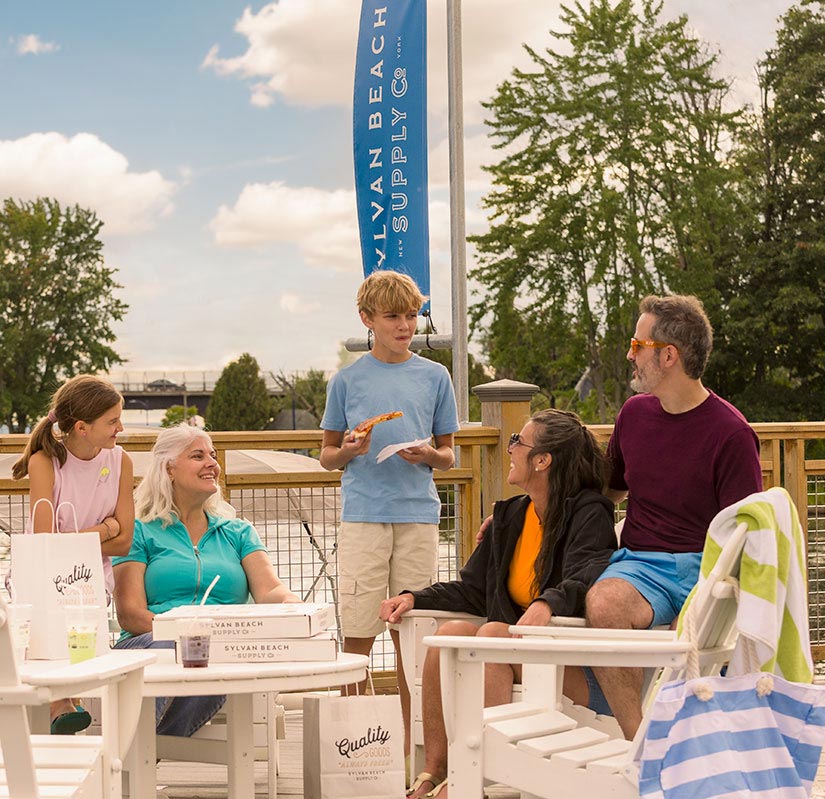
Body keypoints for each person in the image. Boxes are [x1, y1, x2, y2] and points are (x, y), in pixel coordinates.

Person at [381, 410, 616, 799]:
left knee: (491, 634)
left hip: (573, 665)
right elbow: (473, 590)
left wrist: (545, 605)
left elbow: (587, 578)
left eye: (516, 443)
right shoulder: (510, 517)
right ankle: (435, 768)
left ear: (543, 460)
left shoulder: (589, 512)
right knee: (448, 636)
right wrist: (414, 597)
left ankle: (476, 779)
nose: (509, 450)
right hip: (522, 653)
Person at [587, 294, 762, 739]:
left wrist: (716, 602)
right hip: (639, 563)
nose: (630, 354)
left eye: (637, 344)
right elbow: (610, 491)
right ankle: (637, 739)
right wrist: (529, 521)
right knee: (592, 601)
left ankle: (658, 743)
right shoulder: (634, 414)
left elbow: (747, 537)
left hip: (702, 568)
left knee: (617, 608)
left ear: (668, 355)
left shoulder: (732, 434)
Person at [320, 270, 459, 734]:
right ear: (367, 319)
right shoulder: (346, 381)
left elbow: (449, 454)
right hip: (364, 517)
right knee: (358, 635)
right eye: (393, 316)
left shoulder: (436, 376)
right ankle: (354, 745)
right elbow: (326, 456)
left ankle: (411, 749)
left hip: (418, 516)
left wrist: (428, 455)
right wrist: (350, 451)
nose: (405, 325)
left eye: (412, 315)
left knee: (413, 638)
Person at [111, 425, 299, 736]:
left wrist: (293, 605)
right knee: (187, 650)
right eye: (198, 456)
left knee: (218, 655)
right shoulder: (140, 530)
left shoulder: (237, 531)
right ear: (168, 469)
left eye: (212, 455)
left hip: (220, 647)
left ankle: (142, 753)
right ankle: (143, 753)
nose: (212, 463)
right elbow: (130, 613)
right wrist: (185, 634)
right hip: (149, 644)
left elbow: (270, 590)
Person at [13, 374, 136, 734]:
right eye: (112, 421)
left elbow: (125, 541)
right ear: (82, 427)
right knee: (57, 632)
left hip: (92, 580)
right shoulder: (44, 462)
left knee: (79, 633)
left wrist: (87, 536)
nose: (120, 428)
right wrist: (105, 528)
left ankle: (66, 710)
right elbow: (44, 541)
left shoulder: (120, 461)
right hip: (43, 579)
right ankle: (63, 707)